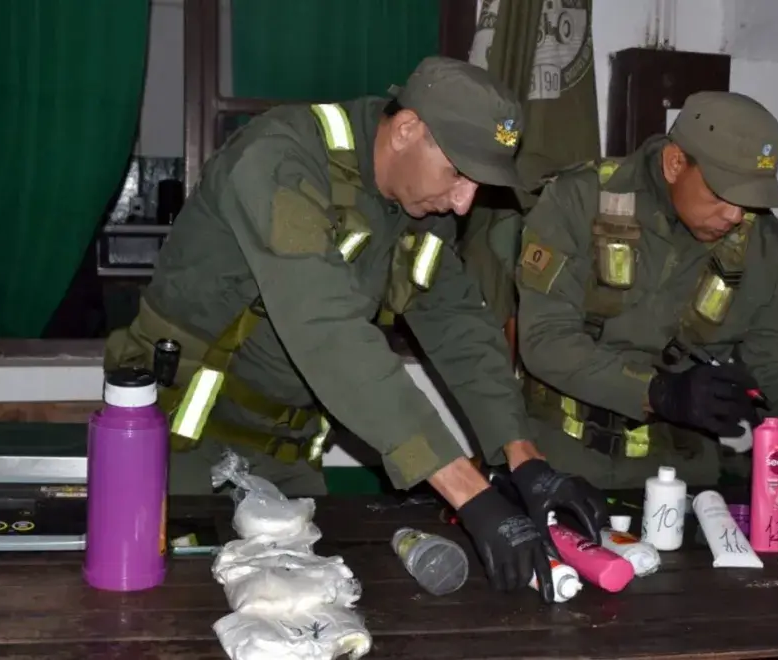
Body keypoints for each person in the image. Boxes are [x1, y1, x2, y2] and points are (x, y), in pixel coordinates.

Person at [104, 56, 607, 600]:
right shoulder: (279, 160)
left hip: (290, 456)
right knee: (171, 614)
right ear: (408, 130)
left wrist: (521, 455)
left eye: (479, 185)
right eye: (459, 173)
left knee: (308, 618)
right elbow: (328, 330)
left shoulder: (420, 204)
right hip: (182, 446)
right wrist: (469, 491)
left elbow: (458, 322)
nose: (464, 204)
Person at [516, 91, 778, 512]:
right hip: (561, 469)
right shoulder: (579, 201)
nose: (735, 216)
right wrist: (658, 392)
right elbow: (545, 341)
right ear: (676, 163)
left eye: (750, 199)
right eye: (723, 193)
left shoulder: (763, 248)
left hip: (691, 484)